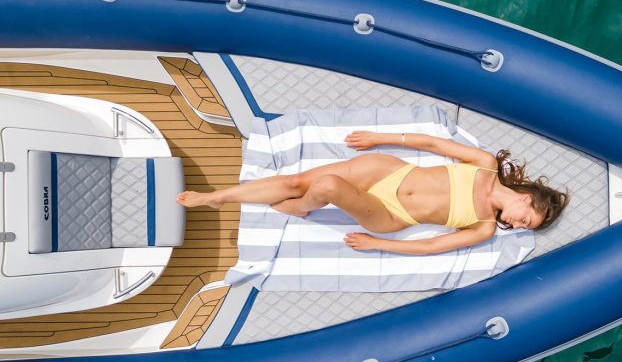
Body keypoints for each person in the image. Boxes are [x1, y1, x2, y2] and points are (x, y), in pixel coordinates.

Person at [176, 131, 569, 255]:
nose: (516, 225)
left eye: (523, 228)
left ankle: (301, 207)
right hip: (390, 172)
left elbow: (431, 246)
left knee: (326, 187)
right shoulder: (484, 164)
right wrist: (382, 138)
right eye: (526, 219)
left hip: (390, 213)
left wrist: (378, 244)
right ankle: (217, 196)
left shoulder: (484, 226)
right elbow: (433, 146)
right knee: (298, 179)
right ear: (525, 198)